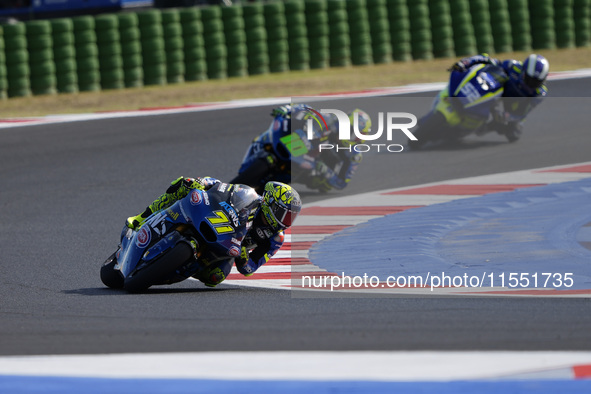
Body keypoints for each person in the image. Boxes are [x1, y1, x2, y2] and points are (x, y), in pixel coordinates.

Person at [126, 176, 301, 287]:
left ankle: (171, 272)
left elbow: (250, 268)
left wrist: (243, 256)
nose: (284, 221)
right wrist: (202, 183)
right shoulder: (249, 196)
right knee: (183, 184)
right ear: (270, 202)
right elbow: (221, 187)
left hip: (227, 250)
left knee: (215, 277)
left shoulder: (276, 238)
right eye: (283, 213)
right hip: (213, 221)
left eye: (290, 217)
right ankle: (141, 217)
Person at [270, 104, 372, 192]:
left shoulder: (354, 155)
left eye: (358, 136)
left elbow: (341, 183)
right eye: (351, 132)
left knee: (322, 184)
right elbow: (307, 110)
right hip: (304, 148)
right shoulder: (330, 120)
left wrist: (325, 170)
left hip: (316, 172)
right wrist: (289, 109)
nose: (352, 138)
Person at [449, 53, 549, 140]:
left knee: (514, 134)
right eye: (528, 79)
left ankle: (485, 127)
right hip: (499, 91)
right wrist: (468, 62)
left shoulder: (539, 93)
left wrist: (508, 116)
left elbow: (523, 113)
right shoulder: (513, 66)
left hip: (514, 105)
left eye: (536, 82)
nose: (530, 84)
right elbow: (490, 61)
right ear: (523, 71)